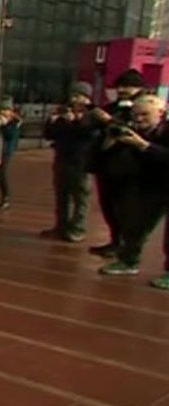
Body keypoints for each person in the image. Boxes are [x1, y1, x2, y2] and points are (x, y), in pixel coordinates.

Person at [97, 95, 169, 286]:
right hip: (151, 186)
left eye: (145, 114)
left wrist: (144, 146)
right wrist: (111, 142)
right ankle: (128, 261)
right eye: (136, 115)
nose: (139, 119)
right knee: (135, 224)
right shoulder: (134, 131)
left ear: (161, 113)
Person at [86, 68, 147, 258]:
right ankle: (115, 241)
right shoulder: (114, 106)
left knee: (126, 208)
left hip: (130, 167)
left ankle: (127, 248)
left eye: (127, 86)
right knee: (108, 206)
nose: (122, 90)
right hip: (106, 164)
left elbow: (139, 130)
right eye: (120, 86)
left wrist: (111, 121)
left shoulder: (143, 107)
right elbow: (92, 124)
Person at [41, 82, 99, 242]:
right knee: (61, 195)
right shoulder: (64, 110)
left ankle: (77, 229)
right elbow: (49, 134)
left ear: (87, 98)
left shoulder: (94, 114)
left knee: (80, 197)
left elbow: (89, 134)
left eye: (80, 96)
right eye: (73, 95)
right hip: (62, 159)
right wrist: (52, 121)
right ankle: (61, 226)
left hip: (82, 162)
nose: (75, 99)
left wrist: (75, 121)